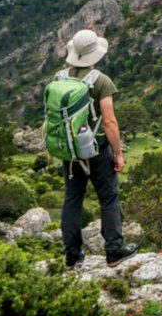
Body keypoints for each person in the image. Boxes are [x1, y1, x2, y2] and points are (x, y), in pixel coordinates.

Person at [59, 28, 138, 269]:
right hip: (97, 150)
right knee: (109, 198)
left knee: (72, 199)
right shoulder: (101, 81)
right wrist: (118, 154)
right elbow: (110, 121)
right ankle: (114, 250)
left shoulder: (59, 78)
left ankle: (72, 254)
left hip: (70, 151)